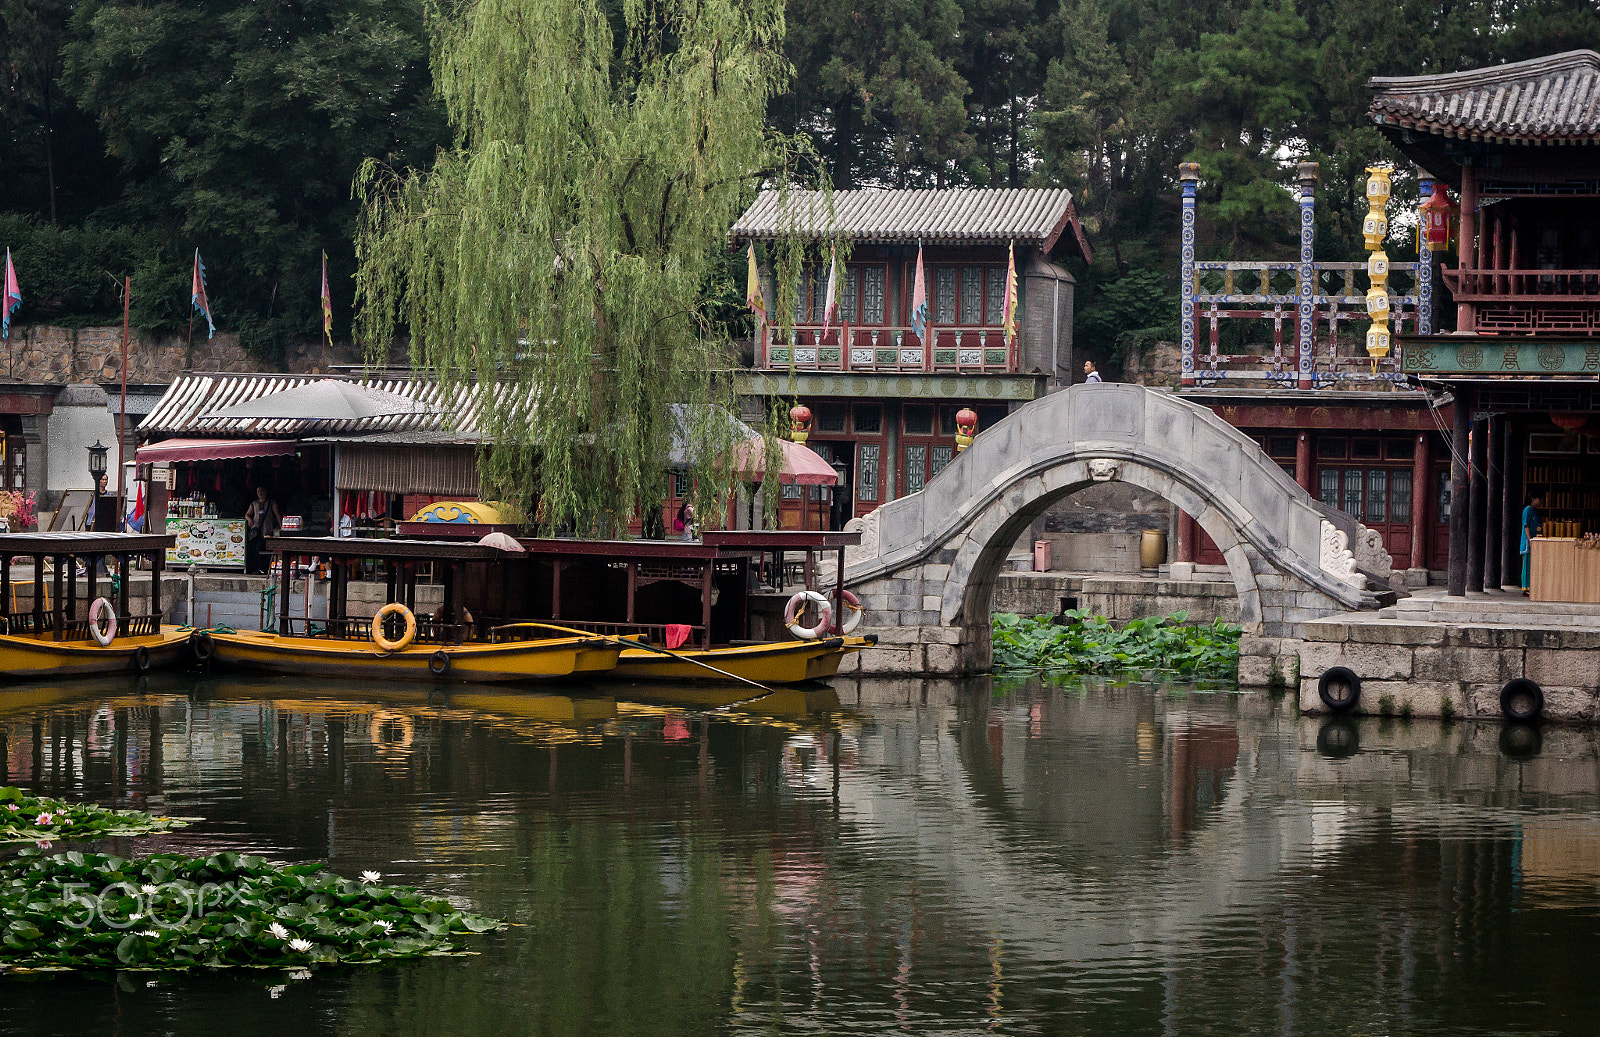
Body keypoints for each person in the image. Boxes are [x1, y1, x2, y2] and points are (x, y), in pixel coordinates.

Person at [245, 486, 281, 575]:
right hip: (255, 531)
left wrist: (282, 527)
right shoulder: (254, 503)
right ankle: (255, 568)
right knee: (254, 550)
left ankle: (265, 568)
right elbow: (247, 514)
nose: (260, 493)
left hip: (267, 531)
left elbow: (277, 514)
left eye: (262, 491)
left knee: (266, 550)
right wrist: (249, 519)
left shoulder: (271, 503)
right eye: (258, 491)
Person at [1521, 494, 1543, 596]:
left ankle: (1531, 587)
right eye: (1539, 498)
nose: (1541, 501)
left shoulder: (1535, 511)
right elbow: (1526, 525)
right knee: (1527, 565)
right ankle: (1525, 588)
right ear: (1533, 499)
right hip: (1528, 542)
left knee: (1532, 565)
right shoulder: (1527, 510)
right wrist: (1529, 539)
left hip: (1534, 540)